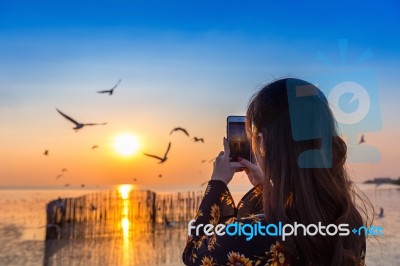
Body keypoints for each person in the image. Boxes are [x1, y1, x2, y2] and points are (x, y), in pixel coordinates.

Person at [182, 78, 372, 265]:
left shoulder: (246, 236)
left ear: (263, 142)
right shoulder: (349, 224)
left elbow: (194, 253)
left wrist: (217, 184)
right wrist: (263, 189)